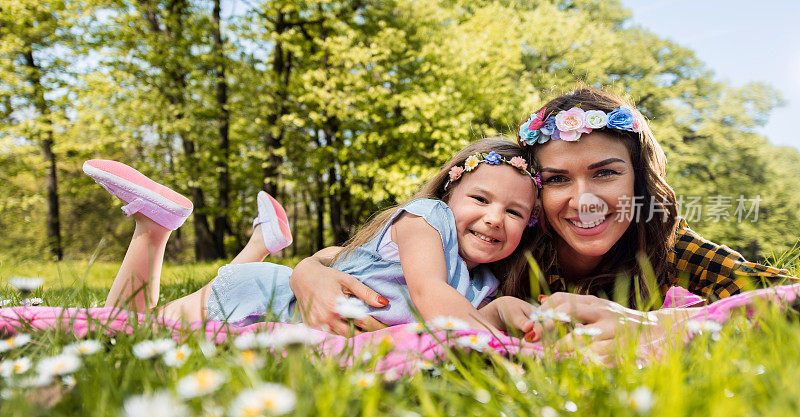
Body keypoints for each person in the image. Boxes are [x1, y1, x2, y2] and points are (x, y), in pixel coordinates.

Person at [289, 87, 797, 353]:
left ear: (639, 181)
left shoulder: (667, 246)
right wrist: (306, 272)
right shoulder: (510, 244)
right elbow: (377, 257)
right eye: (556, 179)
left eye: (606, 173)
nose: (584, 200)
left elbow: (788, 298)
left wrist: (652, 325)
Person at [84, 137, 542, 335]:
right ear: (448, 195)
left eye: (515, 211)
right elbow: (428, 294)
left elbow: (336, 254)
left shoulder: (483, 283)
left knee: (133, 328)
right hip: (256, 298)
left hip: (278, 299)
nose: (495, 218)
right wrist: (501, 322)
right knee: (125, 328)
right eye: (480, 199)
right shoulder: (428, 220)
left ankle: (261, 243)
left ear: (529, 226)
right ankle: (154, 228)